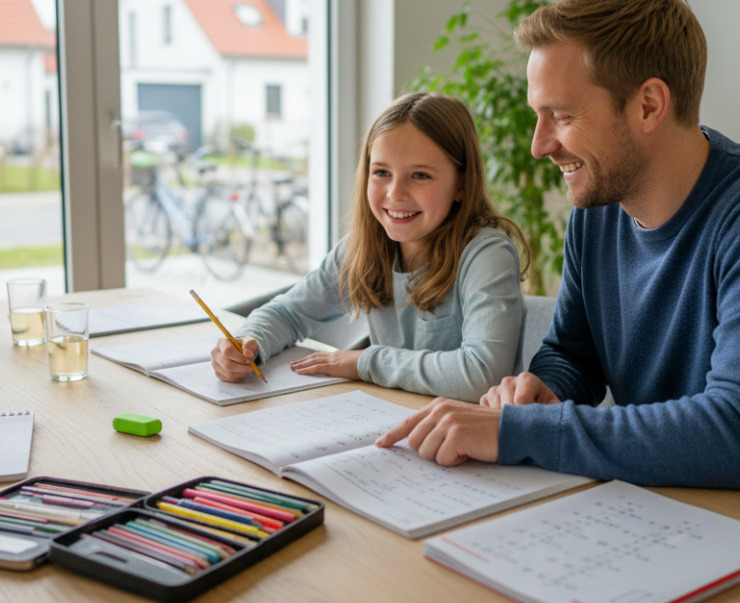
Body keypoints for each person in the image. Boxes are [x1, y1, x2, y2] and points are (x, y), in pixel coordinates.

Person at [377, 0, 740, 525]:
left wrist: (520, 431)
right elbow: (572, 352)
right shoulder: (596, 209)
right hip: (673, 512)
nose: (539, 144)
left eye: (563, 116)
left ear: (649, 105)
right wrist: (543, 388)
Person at [211, 91, 530, 402]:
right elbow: (291, 311)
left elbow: (483, 374)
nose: (395, 192)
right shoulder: (363, 248)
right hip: (390, 419)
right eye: (381, 172)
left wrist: (364, 362)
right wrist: (248, 341)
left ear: (461, 184)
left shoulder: (486, 254)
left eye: (420, 175)